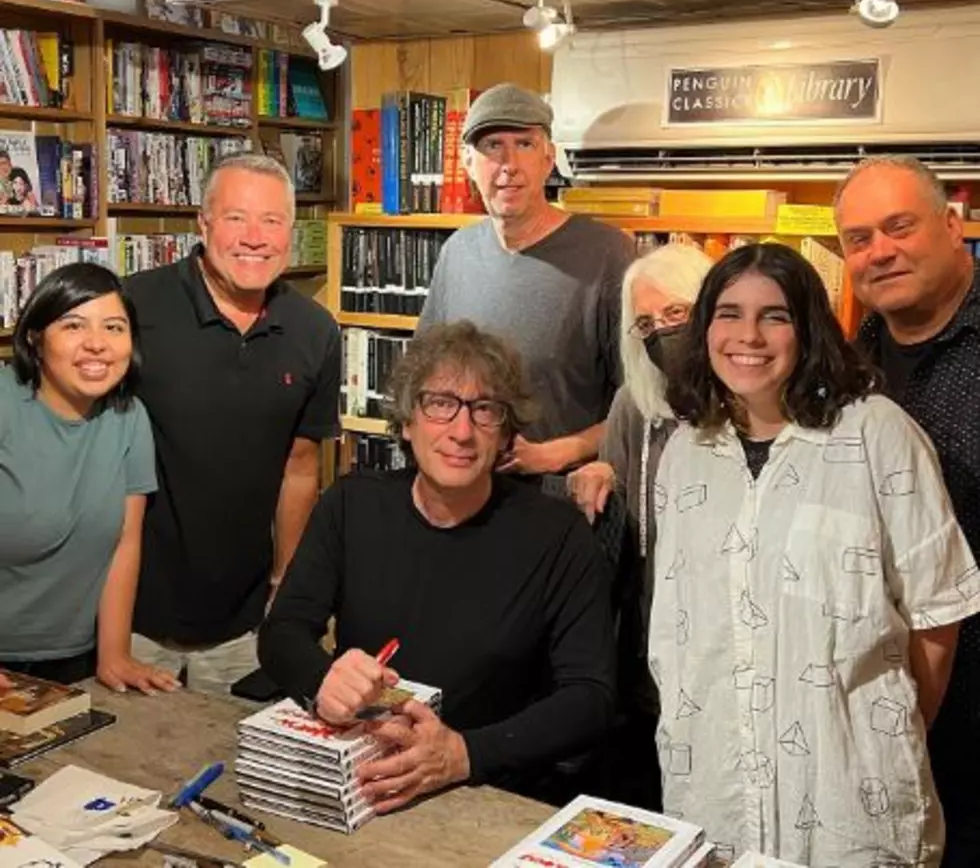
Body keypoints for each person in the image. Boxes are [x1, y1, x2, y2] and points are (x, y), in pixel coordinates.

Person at [649, 242, 980, 866]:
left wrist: (883, 732)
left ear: (808, 329)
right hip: (716, 787)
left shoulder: (876, 434)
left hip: (849, 797)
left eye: (775, 315)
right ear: (704, 328)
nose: (749, 334)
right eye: (729, 312)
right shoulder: (687, 453)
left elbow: (938, 613)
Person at [259, 321, 616, 813]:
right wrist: (322, 680)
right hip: (366, 779)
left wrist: (464, 754)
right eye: (440, 404)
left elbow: (590, 697)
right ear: (407, 421)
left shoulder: (558, 535)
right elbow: (283, 631)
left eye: (485, 410)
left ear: (507, 432)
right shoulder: (352, 506)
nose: (462, 431)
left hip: (493, 791)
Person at [124, 153, 341, 695]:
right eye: (236, 217)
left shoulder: (314, 330)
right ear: (203, 223)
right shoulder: (132, 307)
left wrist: (283, 592)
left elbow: (300, 468)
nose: (254, 237)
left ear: (291, 231)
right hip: (125, 621)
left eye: (272, 221)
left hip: (243, 629)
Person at [835, 154, 980, 868]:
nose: (879, 251)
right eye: (859, 239)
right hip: (887, 701)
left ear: (953, 226)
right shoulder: (846, 363)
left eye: (899, 227)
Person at [417, 83, 635, 476]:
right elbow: (423, 379)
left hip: (562, 499)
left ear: (548, 159)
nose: (509, 163)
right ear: (467, 162)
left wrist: (561, 452)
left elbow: (645, 403)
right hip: (465, 494)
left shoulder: (608, 255)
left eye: (525, 144)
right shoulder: (457, 253)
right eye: (492, 146)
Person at [565, 242, 713, 810]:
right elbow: (623, 494)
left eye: (677, 314)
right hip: (647, 660)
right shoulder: (636, 406)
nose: (661, 335)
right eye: (645, 323)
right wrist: (601, 474)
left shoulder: (751, 404)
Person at [0, 263, 178, 692]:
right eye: (73, 325)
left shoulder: (129, 416)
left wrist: (114, 653)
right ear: (34, 338)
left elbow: (125, 540)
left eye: (114, 327)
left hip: (73, 661)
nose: (97, 344)